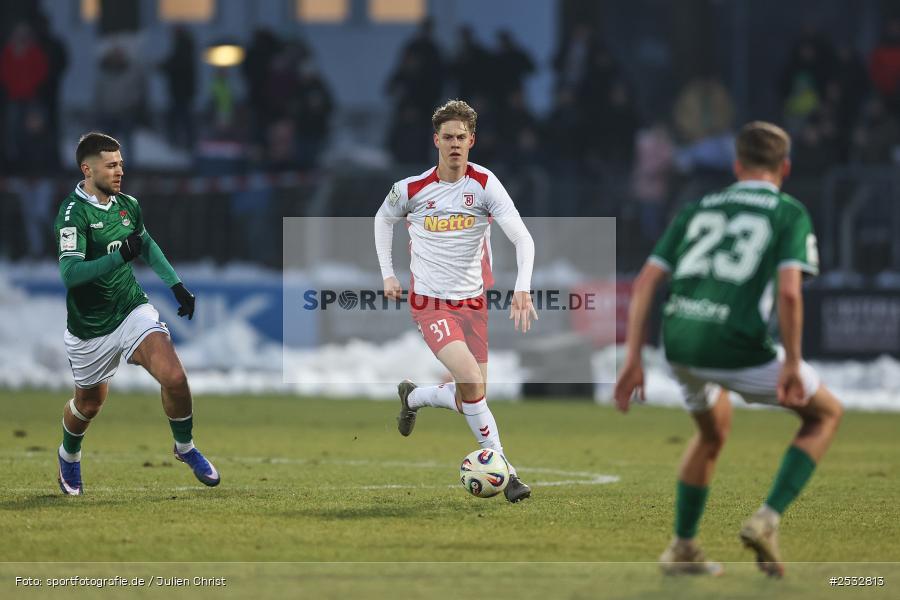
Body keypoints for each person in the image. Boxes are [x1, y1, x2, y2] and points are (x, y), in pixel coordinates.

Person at [614, 121, 843, 577]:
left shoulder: (696, 207)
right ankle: (767, 519)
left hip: (679, 341)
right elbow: (791, 293)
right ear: (786, 168)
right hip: (738, 345)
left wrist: (632, 358)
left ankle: (682, 547)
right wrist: (793, 363)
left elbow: (645, 283)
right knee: (824, 414)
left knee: (712, 432)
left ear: (736, 165)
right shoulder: (789, 212)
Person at [374, 100, 537, 503]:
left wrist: (523, 286)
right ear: (436, 140)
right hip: (430, 302)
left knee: (471, 398)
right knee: (470, 379)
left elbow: (523, 238)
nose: (454, 145)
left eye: (461, 138)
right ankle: (507, 470)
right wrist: (388, 274)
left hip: (473, 304)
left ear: (472, 141)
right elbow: (383, 219)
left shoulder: (484, 184)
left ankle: (413, 397)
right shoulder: (411, 189)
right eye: (447, 137)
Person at [53, 132, 219, 495]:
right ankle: (69, 454)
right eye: (111, 165)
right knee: (89, 404)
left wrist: (175, 284)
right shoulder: (72, 214)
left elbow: (144, 243)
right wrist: (118, 257)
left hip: (131, 309)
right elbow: (70, 275)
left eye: (121, 165)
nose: (119, 172)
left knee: (174, 377)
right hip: (90, 327)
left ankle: (185, 447)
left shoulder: (128, 204)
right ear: (87, 168)